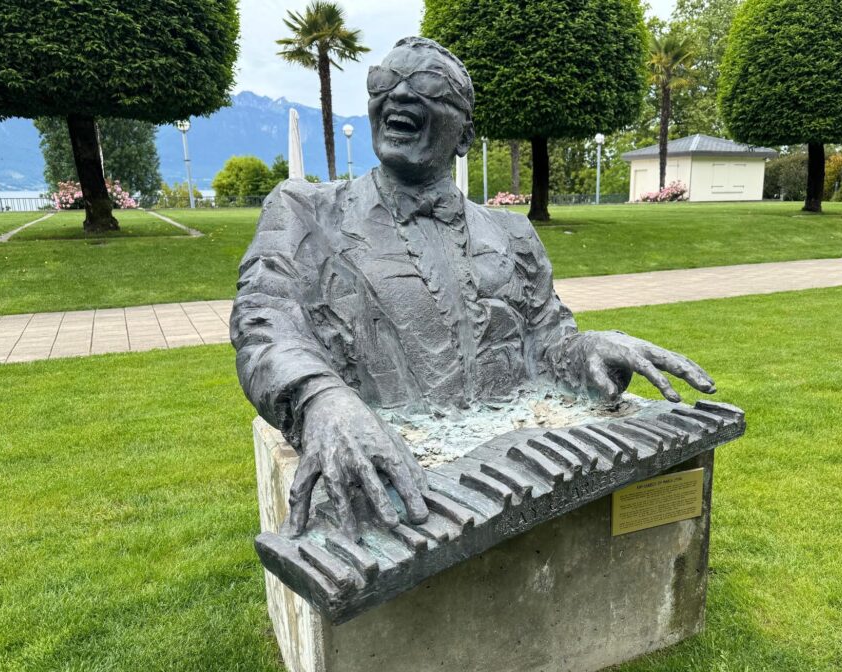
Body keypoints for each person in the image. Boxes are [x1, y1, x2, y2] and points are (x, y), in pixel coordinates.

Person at [231, 37, 716, 535]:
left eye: (427, 87)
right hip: (400, 454)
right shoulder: (305, 210)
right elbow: (265, 323)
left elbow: (546, 343)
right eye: (384, 83)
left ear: (465, 134)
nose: (398, 97)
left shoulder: (513, 233)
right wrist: (321, 401)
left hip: (510, 452)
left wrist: (590, 346)